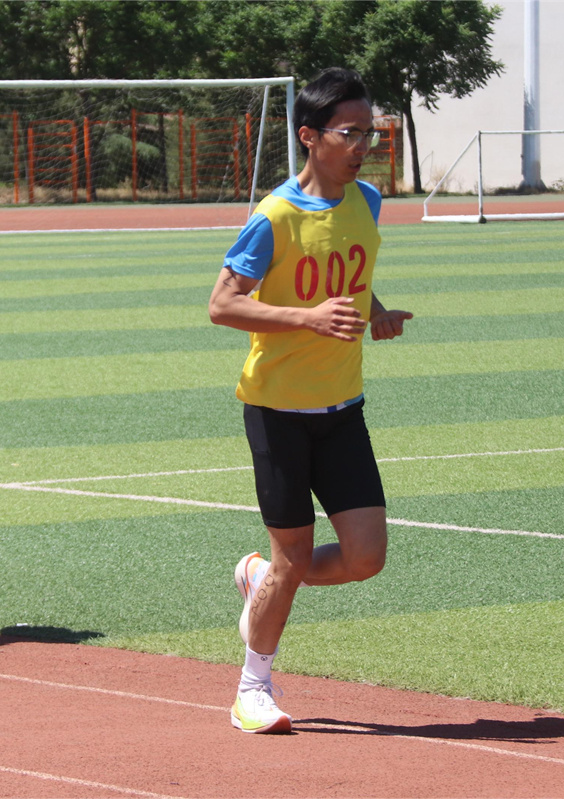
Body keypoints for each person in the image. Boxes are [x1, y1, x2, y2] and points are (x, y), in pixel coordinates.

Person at [208, 67, 413, 733]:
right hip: (278, 413)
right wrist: (308, 318)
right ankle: (252, 689)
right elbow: (222, 305)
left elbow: (352, 277)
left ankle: (259, 576)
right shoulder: (274, 217)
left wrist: (374, 313)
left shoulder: (368, 201)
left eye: (369, 132)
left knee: (365, 557)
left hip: (343, 408)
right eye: (349, 133)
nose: (363, 146)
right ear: (309, 136)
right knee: (294, 559)